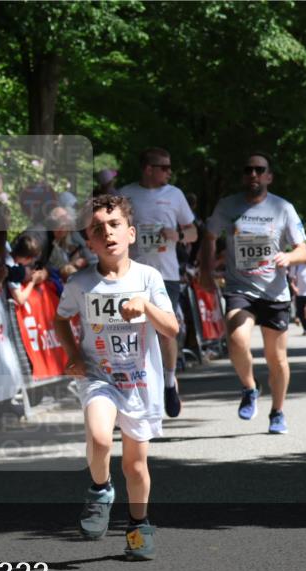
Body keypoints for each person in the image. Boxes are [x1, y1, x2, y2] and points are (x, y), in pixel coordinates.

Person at [54, 194, 178, 560]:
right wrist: (74, 355)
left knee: (136, 466)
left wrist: (147, 306)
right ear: (89, 241)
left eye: (114, 225)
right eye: (97, 229)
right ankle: (100, 489)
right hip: (99, 377)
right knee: (99, 437)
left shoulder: (148, 277)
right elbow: (60, 319)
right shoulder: (80, 284)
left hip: (139, 382)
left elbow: (171, 328)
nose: (106, 233)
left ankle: (138, 526)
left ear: (131, 233)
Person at [199, 152, 306, 434]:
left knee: (277, 359)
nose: (254, 175)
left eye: (260, 170)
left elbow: (303, 250)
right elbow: (210, 237)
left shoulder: (283, 208)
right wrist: (206, 271)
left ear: (269, 176)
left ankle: (278, 411)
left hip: (275, 293)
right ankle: (250, 387)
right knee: (236, 339)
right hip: (240, 288)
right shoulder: (228, 206)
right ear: (243, 176)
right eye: (248, 170)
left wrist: (288, 258)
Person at [118, 147, 197, 418]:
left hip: (166, 274)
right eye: (163, 167)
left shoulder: (175, 195)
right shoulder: (124, 194)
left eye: (169, 167)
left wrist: (178, 234)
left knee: (166, 331)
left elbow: (194, 232)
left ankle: (169, 381)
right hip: (132, 273)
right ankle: (133, 388)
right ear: (148, 169)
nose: (169, 172)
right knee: (132, 332)